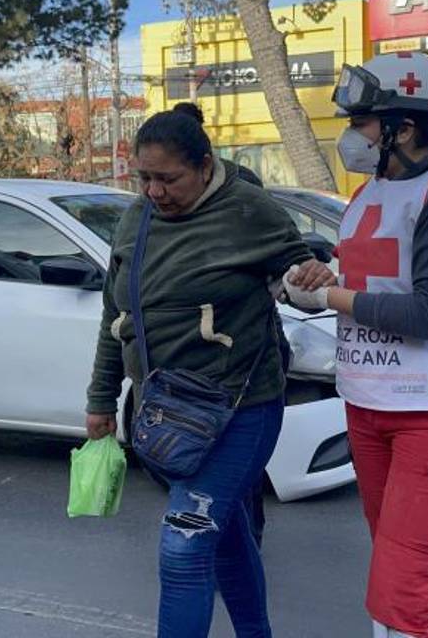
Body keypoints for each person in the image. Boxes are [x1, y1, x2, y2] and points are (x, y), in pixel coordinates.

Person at [84, 110, 333, 637]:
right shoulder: (137, 219)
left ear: (203, 166)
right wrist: (101, 398)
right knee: (226, 538)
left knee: (184, 545)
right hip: (166, 416)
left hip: (240, 410)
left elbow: (297, 276)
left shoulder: (247, 209)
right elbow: (115, 314)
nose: (154, 191)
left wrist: (311, 275)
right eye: (144, 178)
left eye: (167, 179)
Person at [284, 52, 428, 638]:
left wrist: (330, 296)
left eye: (359, 122)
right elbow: (372, 279)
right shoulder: (372, 191)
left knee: (400, 594)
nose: (349, 136)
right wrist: (320, 276)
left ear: (402, 129)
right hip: (372, 404)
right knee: (421, 576)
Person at [172, 100, 277, 549]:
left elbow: (276, 259)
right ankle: (237, 539)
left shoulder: (241, 188)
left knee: (231, 460)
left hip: (240, 353)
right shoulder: (158, 203)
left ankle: (241, 538)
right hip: (194, 365)